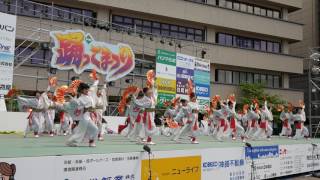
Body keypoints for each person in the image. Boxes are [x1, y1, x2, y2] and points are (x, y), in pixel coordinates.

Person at [65, 81, 99, 147]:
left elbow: (93, 88)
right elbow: (78, 109)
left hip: (87, 117)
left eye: (87, 89)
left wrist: (96, 82)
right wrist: (88, 109)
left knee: (95, 129)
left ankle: (91, 142)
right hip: (83, 118)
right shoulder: (81, 99)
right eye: (85, 89)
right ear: (82, 90)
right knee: (81, 132)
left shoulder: (89, 96)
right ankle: (71, 142)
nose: (87, 90)